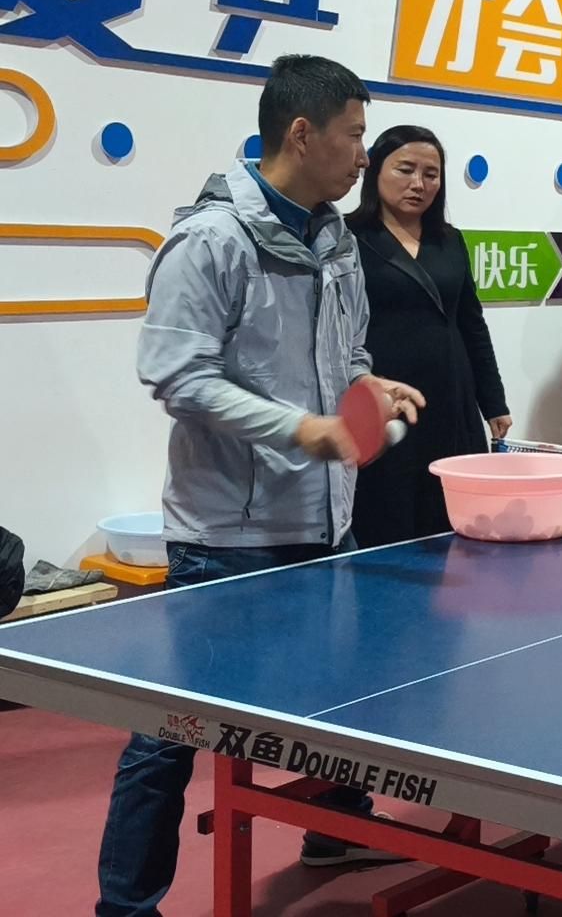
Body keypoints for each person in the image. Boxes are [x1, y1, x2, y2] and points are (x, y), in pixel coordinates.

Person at [106, 55, 425, 917]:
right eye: (355, 136)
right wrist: (302, 428)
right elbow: (176, 375)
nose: (364, 155)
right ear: (303, 134)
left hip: (323, 523)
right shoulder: (211, 241)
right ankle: (125, 906)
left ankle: (334, 827)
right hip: (227, 538)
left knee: (344, 701)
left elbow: (345, 355)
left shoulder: (335, 241)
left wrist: (366, 389)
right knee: (171, 735)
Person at [344, 125, 510, 547]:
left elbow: (472, 324)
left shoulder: (450, 240)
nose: (419, 184)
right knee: (386, 523)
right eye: (405, 169)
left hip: (453, 402)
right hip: (386, 403)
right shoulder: (346, 237)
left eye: (431, 174)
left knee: (452, 527)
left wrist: (493, 402)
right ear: (375, 170)